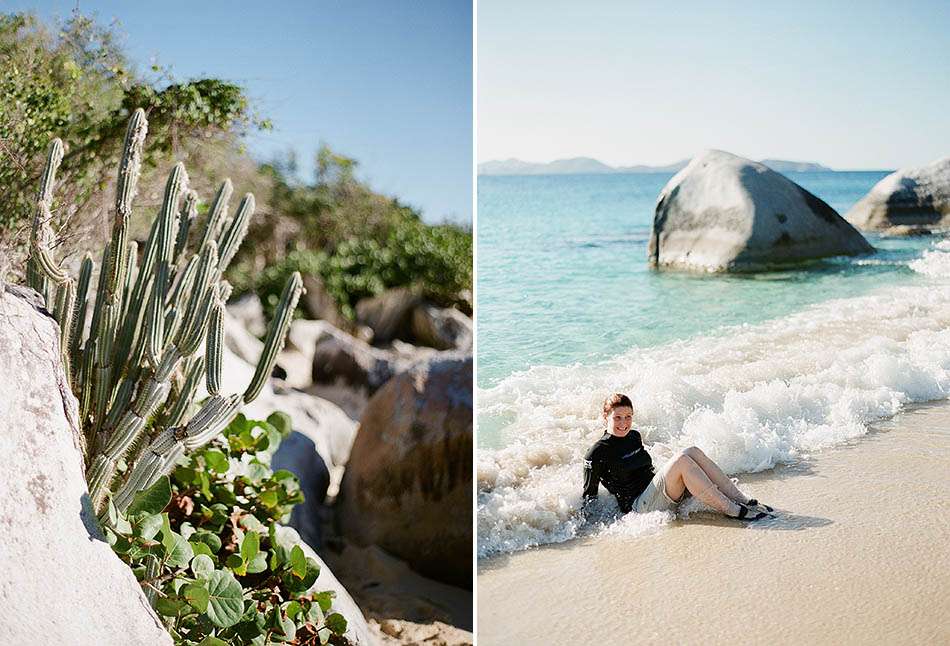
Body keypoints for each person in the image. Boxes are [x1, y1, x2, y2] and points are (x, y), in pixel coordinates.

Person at [582, 393, 773, 521]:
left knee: (692, 451)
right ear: (605, 416)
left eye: (628, 417)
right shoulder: (597, 452)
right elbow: (589, 496)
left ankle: (742, 500)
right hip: (639, 507)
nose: (624, 423)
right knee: (681, 460)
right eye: (617, 417)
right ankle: (733, 510)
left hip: (659, 494)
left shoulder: (634, 436)